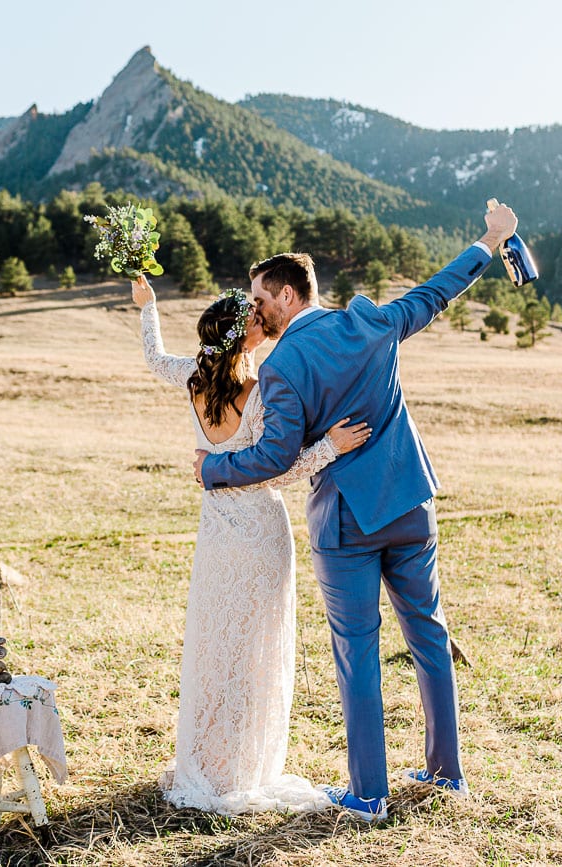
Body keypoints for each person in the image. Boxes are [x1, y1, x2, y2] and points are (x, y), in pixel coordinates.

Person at [194, 202, 521, 821]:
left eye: (261, 298)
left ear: (288, 296)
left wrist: (213, 469)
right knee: (429, 636)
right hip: (409, 502)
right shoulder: (373, 324)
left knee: (357, 652)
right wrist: (489, 240)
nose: (254, 308)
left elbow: (272, 456)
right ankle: (446, 773)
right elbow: (437, 291)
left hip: (345, 523)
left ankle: (369, 795)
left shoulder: (283, 364)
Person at [131, 275, 370, 815]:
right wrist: (330, 446)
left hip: (216, 535)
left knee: (218, 645)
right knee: (255, 651)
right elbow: (274, 470)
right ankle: (244, 768)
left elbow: (153, 357)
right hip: (260, 535)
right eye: (257, 321)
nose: (264, 324)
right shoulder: (260, 392)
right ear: (246, 337)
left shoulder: (194, 379)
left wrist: (148, 307)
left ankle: (211, 760)